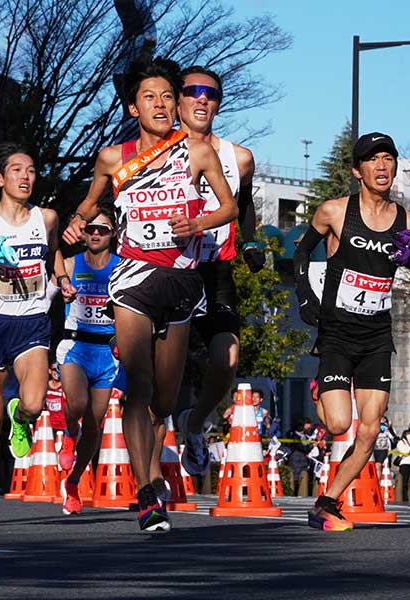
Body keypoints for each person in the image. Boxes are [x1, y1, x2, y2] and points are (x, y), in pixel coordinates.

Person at [62, 57, 238, 531]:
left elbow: (229, 206)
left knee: (164, 397)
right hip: (133, 279)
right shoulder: (113, 158)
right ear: (131, 106)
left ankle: (160, 454)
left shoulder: (196, 152)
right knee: (137, 389)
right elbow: (88, 202)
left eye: (166, 97)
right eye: (149, 98)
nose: (160, 105)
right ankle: (146, 494)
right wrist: (77, 223)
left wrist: (197, 222)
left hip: (182, 281)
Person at [294, 132, 410, 531]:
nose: (382, 166)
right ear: (357, 170)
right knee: (339, 424)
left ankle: (326, 502)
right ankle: (319, 391)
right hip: (338, 333)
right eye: (373, 159)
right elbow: (302, 252)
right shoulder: (335, 212)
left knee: (371, 430)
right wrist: (306, 298)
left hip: (377, 336)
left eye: (388, 159)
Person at [0, 142, 76, 526]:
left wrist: (60, 277)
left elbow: (54, 252)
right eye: (17, 170)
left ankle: (22, 419)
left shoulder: (46, 218)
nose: (26, 177)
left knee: (35, 402)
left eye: (31, 170)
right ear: (0, 178)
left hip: (31, 320)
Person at [171, 65, 261, 478]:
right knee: (162, 369)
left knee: (227, 357)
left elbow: (242, 203)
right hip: (166, 268)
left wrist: (252, 241)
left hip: (215, 266)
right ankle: (153, 475)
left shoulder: (237, 157)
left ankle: (195, 420)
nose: (202, 98)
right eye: (192, 91)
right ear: (177, 100)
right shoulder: (156, 154)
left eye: (211, 93)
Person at [56, 208, 122, 514]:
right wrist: (63, 280)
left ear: (113, 234)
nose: (96, 233)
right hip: (75, 347)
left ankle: (74, 482)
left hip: (107, 353)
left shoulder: (121, 268)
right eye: (91, 229)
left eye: (103, 229)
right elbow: (50, 251)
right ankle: (68, 435)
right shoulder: (72, 262)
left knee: (95, 427)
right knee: (78, 403)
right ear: (84, 233)